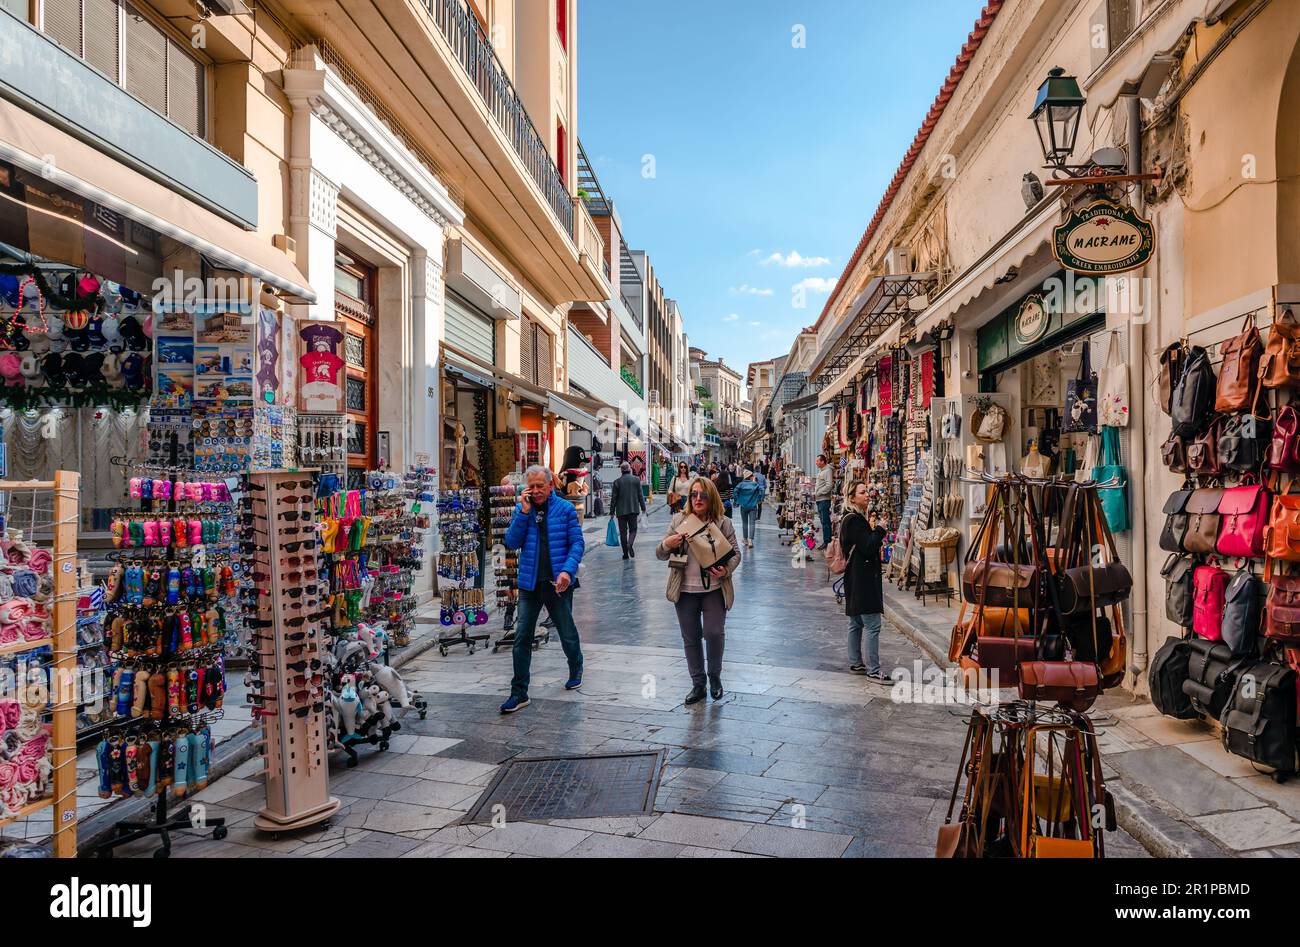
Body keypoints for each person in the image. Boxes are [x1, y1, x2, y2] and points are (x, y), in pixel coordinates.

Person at [499, 465, 585, 713]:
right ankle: (519, 692)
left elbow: (577, 543)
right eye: (532, 486)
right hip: (529, 583)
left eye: (540, 486)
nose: (536, 491)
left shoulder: (565, 509)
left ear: (550, 486)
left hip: (558, 583)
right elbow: (512, 542)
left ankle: (575, 665)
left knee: (566, 630)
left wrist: (567, 571)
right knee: (522, 637)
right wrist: (523, 513)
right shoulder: (522, 510)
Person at [657, 477, 741, 704]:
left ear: (711, 497)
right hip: (684, 590)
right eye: (693, 495)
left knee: (714, 633)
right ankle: (698, 684)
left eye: (702, 495)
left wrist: (725, 571)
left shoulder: (723, 523)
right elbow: (660, 552)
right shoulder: (679, 521)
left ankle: (715, 677)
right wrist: (669, 543)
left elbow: (735, 554)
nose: (697, 499)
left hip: (714, 589)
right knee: (691, 637)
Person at [840, 479, 890, 681]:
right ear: (852, 497)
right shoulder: (854, 520)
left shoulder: (853, 518)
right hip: (862, 579)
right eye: (862, 492)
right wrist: (880, 529)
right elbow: (868, 546)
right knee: (872, 624)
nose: (867, 495)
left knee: (856, 622)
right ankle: (873, 669)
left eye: (867, 491)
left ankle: (856, 662)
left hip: (856, 577)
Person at [611, 461, 646, 559]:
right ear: (629, 469)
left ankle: (625, 554)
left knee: (623, 533)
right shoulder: (636, 480)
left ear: (621, 470)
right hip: (633, 510)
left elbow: (613, 498)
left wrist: (611, 512)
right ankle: (630, 543)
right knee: (633, 530)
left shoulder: (617, 482)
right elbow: (640, 495)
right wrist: (643, 508)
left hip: (621, 511)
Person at [733, 469, 763, 548]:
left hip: (743, 506)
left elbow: (735, 491)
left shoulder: (741, 484)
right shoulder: (755, 484)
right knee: (752, 523)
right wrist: (759, 499)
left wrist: (737, 500)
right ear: (750, 477)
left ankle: (745, 539)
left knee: (745, 523)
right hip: (753, 506)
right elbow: (762, 490)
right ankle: (750, 540)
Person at [814, 454, 835, 549]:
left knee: (825, 522)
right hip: (819, 499)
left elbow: (829, 485)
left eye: (818, 461)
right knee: (823, 521)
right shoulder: (822, 471)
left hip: (824, 500)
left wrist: (818, 493)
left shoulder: (827, 471)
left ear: (823, 461)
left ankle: (827, 542)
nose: (816, 462)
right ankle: (826, 540)